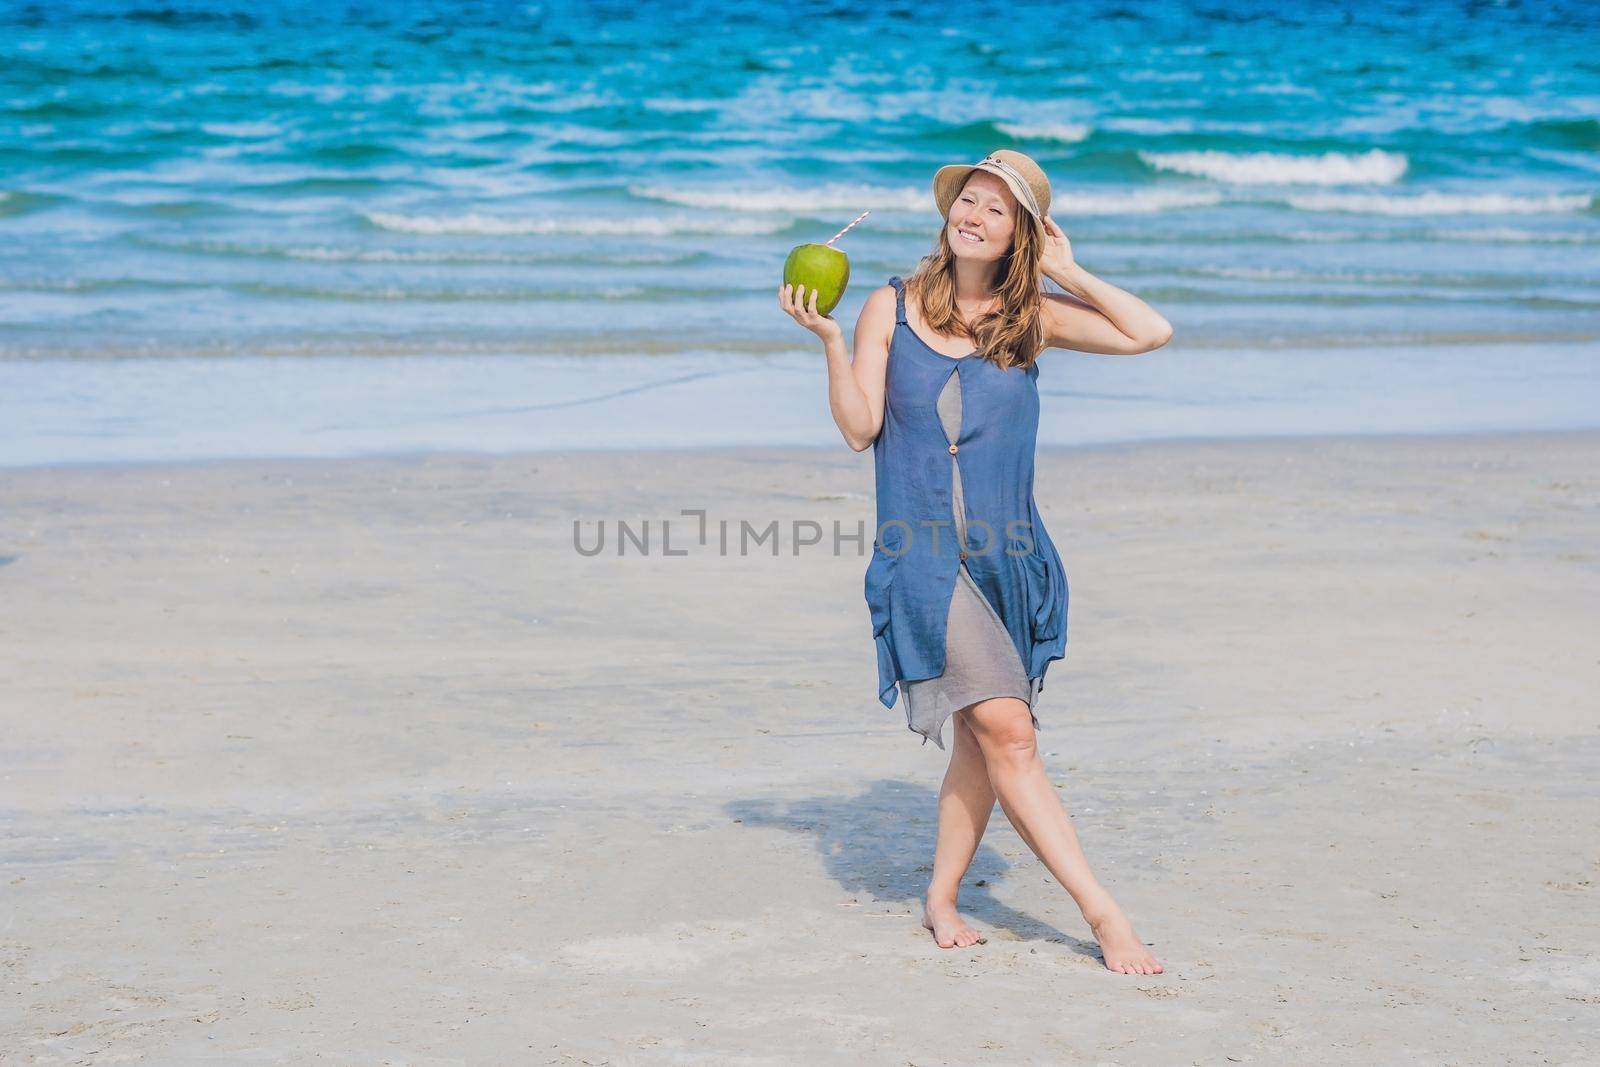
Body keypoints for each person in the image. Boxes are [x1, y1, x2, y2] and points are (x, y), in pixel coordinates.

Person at [779, 149, 1173, 974]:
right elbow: (859, 427)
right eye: (970, 199)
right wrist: (826, 337)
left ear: (1018, 233)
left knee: (978, 738)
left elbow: (1148, 332)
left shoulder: (1032, 317)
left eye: (999, 209)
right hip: (923, 562)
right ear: (949, 210)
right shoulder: (888, 305)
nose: (976, 214)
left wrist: (1070, 268)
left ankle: (941, 895)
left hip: (1010, 557)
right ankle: (1104, 914)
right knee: (1009, 732)